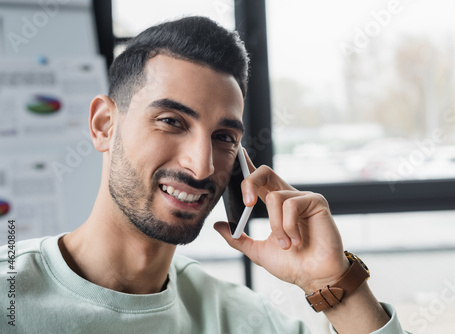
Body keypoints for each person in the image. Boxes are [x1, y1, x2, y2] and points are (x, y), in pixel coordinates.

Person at [0, 16, 407, 333]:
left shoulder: (243, 319)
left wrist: (335, 284)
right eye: (172, 121)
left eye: (224, 137)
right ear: (105, 125)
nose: (203, 166)